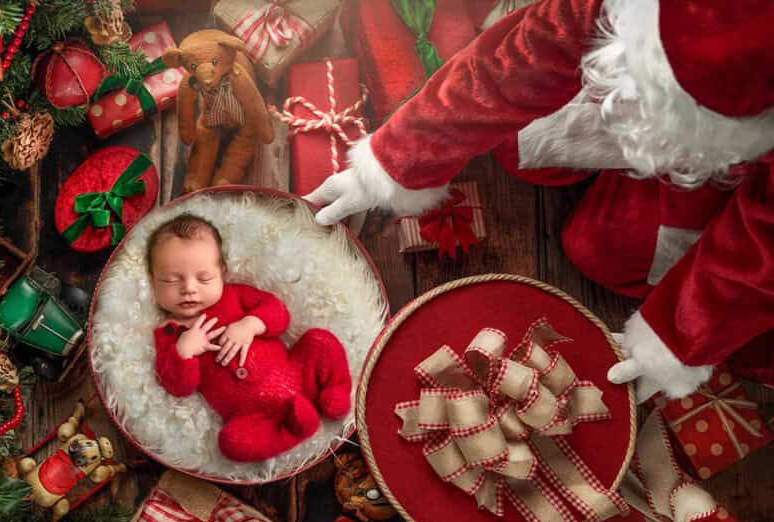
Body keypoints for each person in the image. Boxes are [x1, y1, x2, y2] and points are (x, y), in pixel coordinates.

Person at [305, 0, 774, 402]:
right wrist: (396, 159)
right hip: (673, 111)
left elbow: (764, 247)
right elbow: (525, 53)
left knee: (602, 249)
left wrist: (680, 335)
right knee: (520, 143)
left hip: (749, 177)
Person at [148, 213, 352, 462]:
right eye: (170, 280)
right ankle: (291, 430)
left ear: (221, 272)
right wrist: (184, 352)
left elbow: (279, 313)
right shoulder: (168, 334)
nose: (189, 288)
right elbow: (178, 387)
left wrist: (250, 324)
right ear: (153, 282)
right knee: (231, 443)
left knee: (320, 341)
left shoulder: (234, 296)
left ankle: (336, 391)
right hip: (253, 416)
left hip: (297, 374)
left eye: (204, 278)